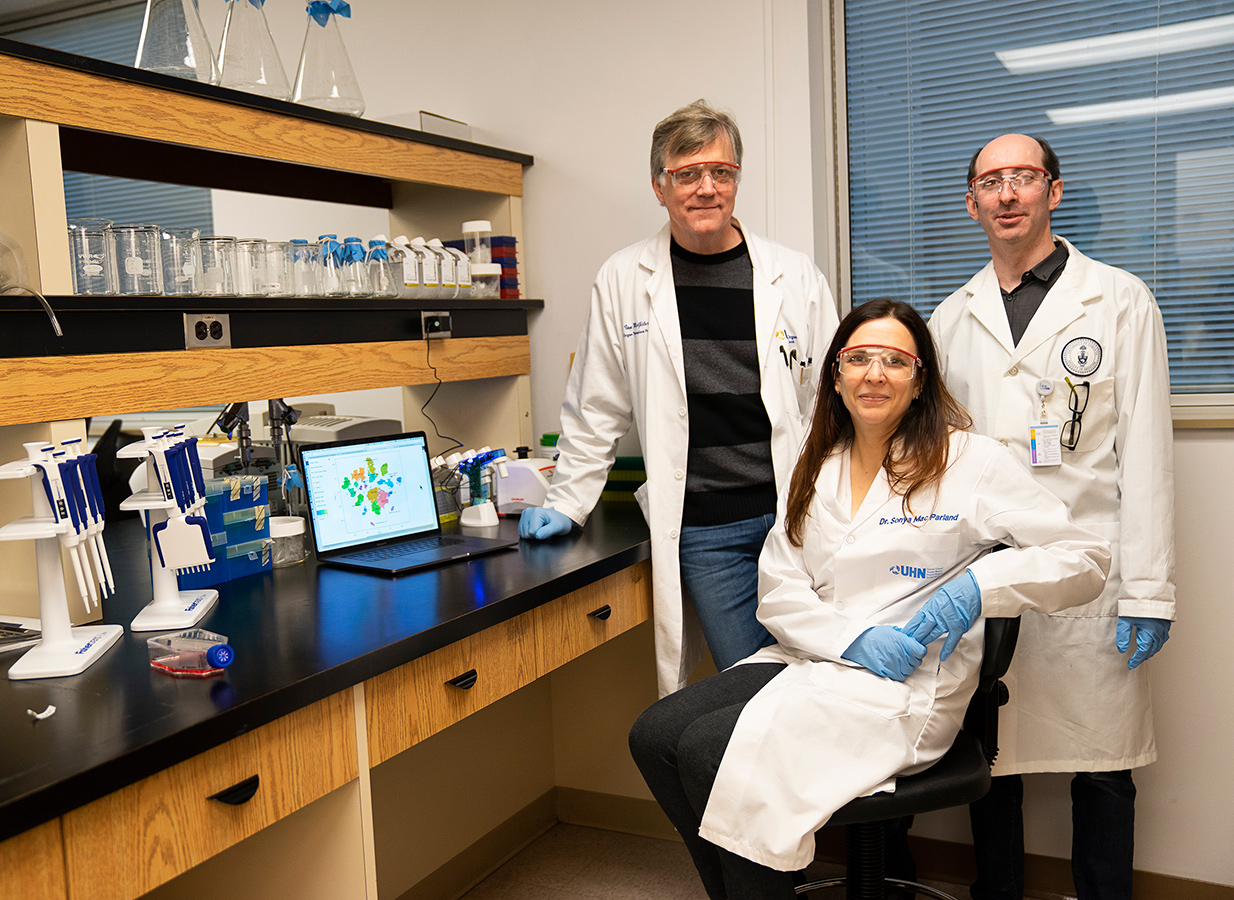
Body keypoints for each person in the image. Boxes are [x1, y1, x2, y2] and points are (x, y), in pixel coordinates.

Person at [628, 299, 1111, 900]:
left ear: (920, 381)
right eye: (857, 358)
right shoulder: (818, 463)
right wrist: (850, 639)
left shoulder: (970, 461)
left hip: (904, 685)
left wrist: (979, 587)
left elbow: (1085, 560)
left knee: (708, 749)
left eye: (895, 361)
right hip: (819, 657)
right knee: (654, 734)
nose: (874, 374)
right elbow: (779, 587)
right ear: (835, 374)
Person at [519, 100, 839, 696]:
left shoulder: (793, 277)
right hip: (706, 532)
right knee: (756, 694)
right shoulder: (624, 279)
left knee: (825, 683)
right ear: (659, 188)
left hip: (797, 517)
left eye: (721, 172)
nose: (706, 188)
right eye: (686, 174)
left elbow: (835, 402)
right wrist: (567, 501)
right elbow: (597, 406)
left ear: (737, 180)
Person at [928, 134, 1176, 900]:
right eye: (991, 182)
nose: (1008, 194)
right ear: (972, 203)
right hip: (986, 571)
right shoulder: (950, 317)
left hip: (1089, 568)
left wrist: (1149, 591)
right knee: (990, 761)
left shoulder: (1119, 300)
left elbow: (1147, 456)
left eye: (1024, 178)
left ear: (1054, 192)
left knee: (1102, 765)